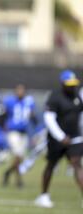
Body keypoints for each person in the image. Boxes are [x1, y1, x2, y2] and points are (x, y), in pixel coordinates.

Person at [34, 70, 83, 208]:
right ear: (62, 84)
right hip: (57, 140)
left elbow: (80, 116)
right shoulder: (55, 97)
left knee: (77, 164)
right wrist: (61, 136)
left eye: (74, 84)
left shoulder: (77, 96)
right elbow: (49, 119)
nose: (72, 87)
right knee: (51, 165)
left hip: (74, 138)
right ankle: (44, 196)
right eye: (69, 84)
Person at [2, 84, 37, 188]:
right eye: (18, 90)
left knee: (20, 158)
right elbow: (4, 114)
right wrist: (4, 127)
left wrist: (35, 127)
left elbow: (32, 116)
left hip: (24, 133)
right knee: (18, 156)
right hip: (13, 132)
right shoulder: (10, 101)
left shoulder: (29, 102)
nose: (20, 92)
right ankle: (19, 181)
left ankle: (8, 172)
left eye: (22, 90)